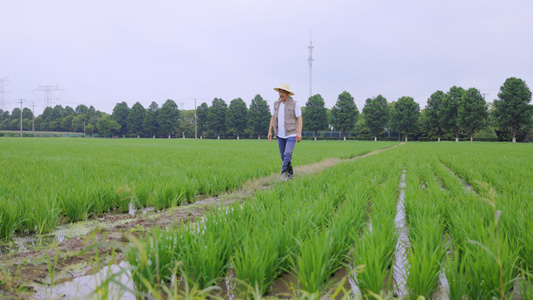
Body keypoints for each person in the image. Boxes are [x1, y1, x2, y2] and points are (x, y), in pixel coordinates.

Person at [268, 83, 303, 180]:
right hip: (280, 135)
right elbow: (273, 118)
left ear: (288, 93)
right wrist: (270, 131)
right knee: (283, 157)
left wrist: (299, 132)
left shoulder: (295, 104)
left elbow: (299, 119)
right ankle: (290, 175)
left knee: (287, 154)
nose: (281, 94)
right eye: (280, 92)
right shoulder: (276, 104)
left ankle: (283, 174)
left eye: (283, 92)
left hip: (291, 133)